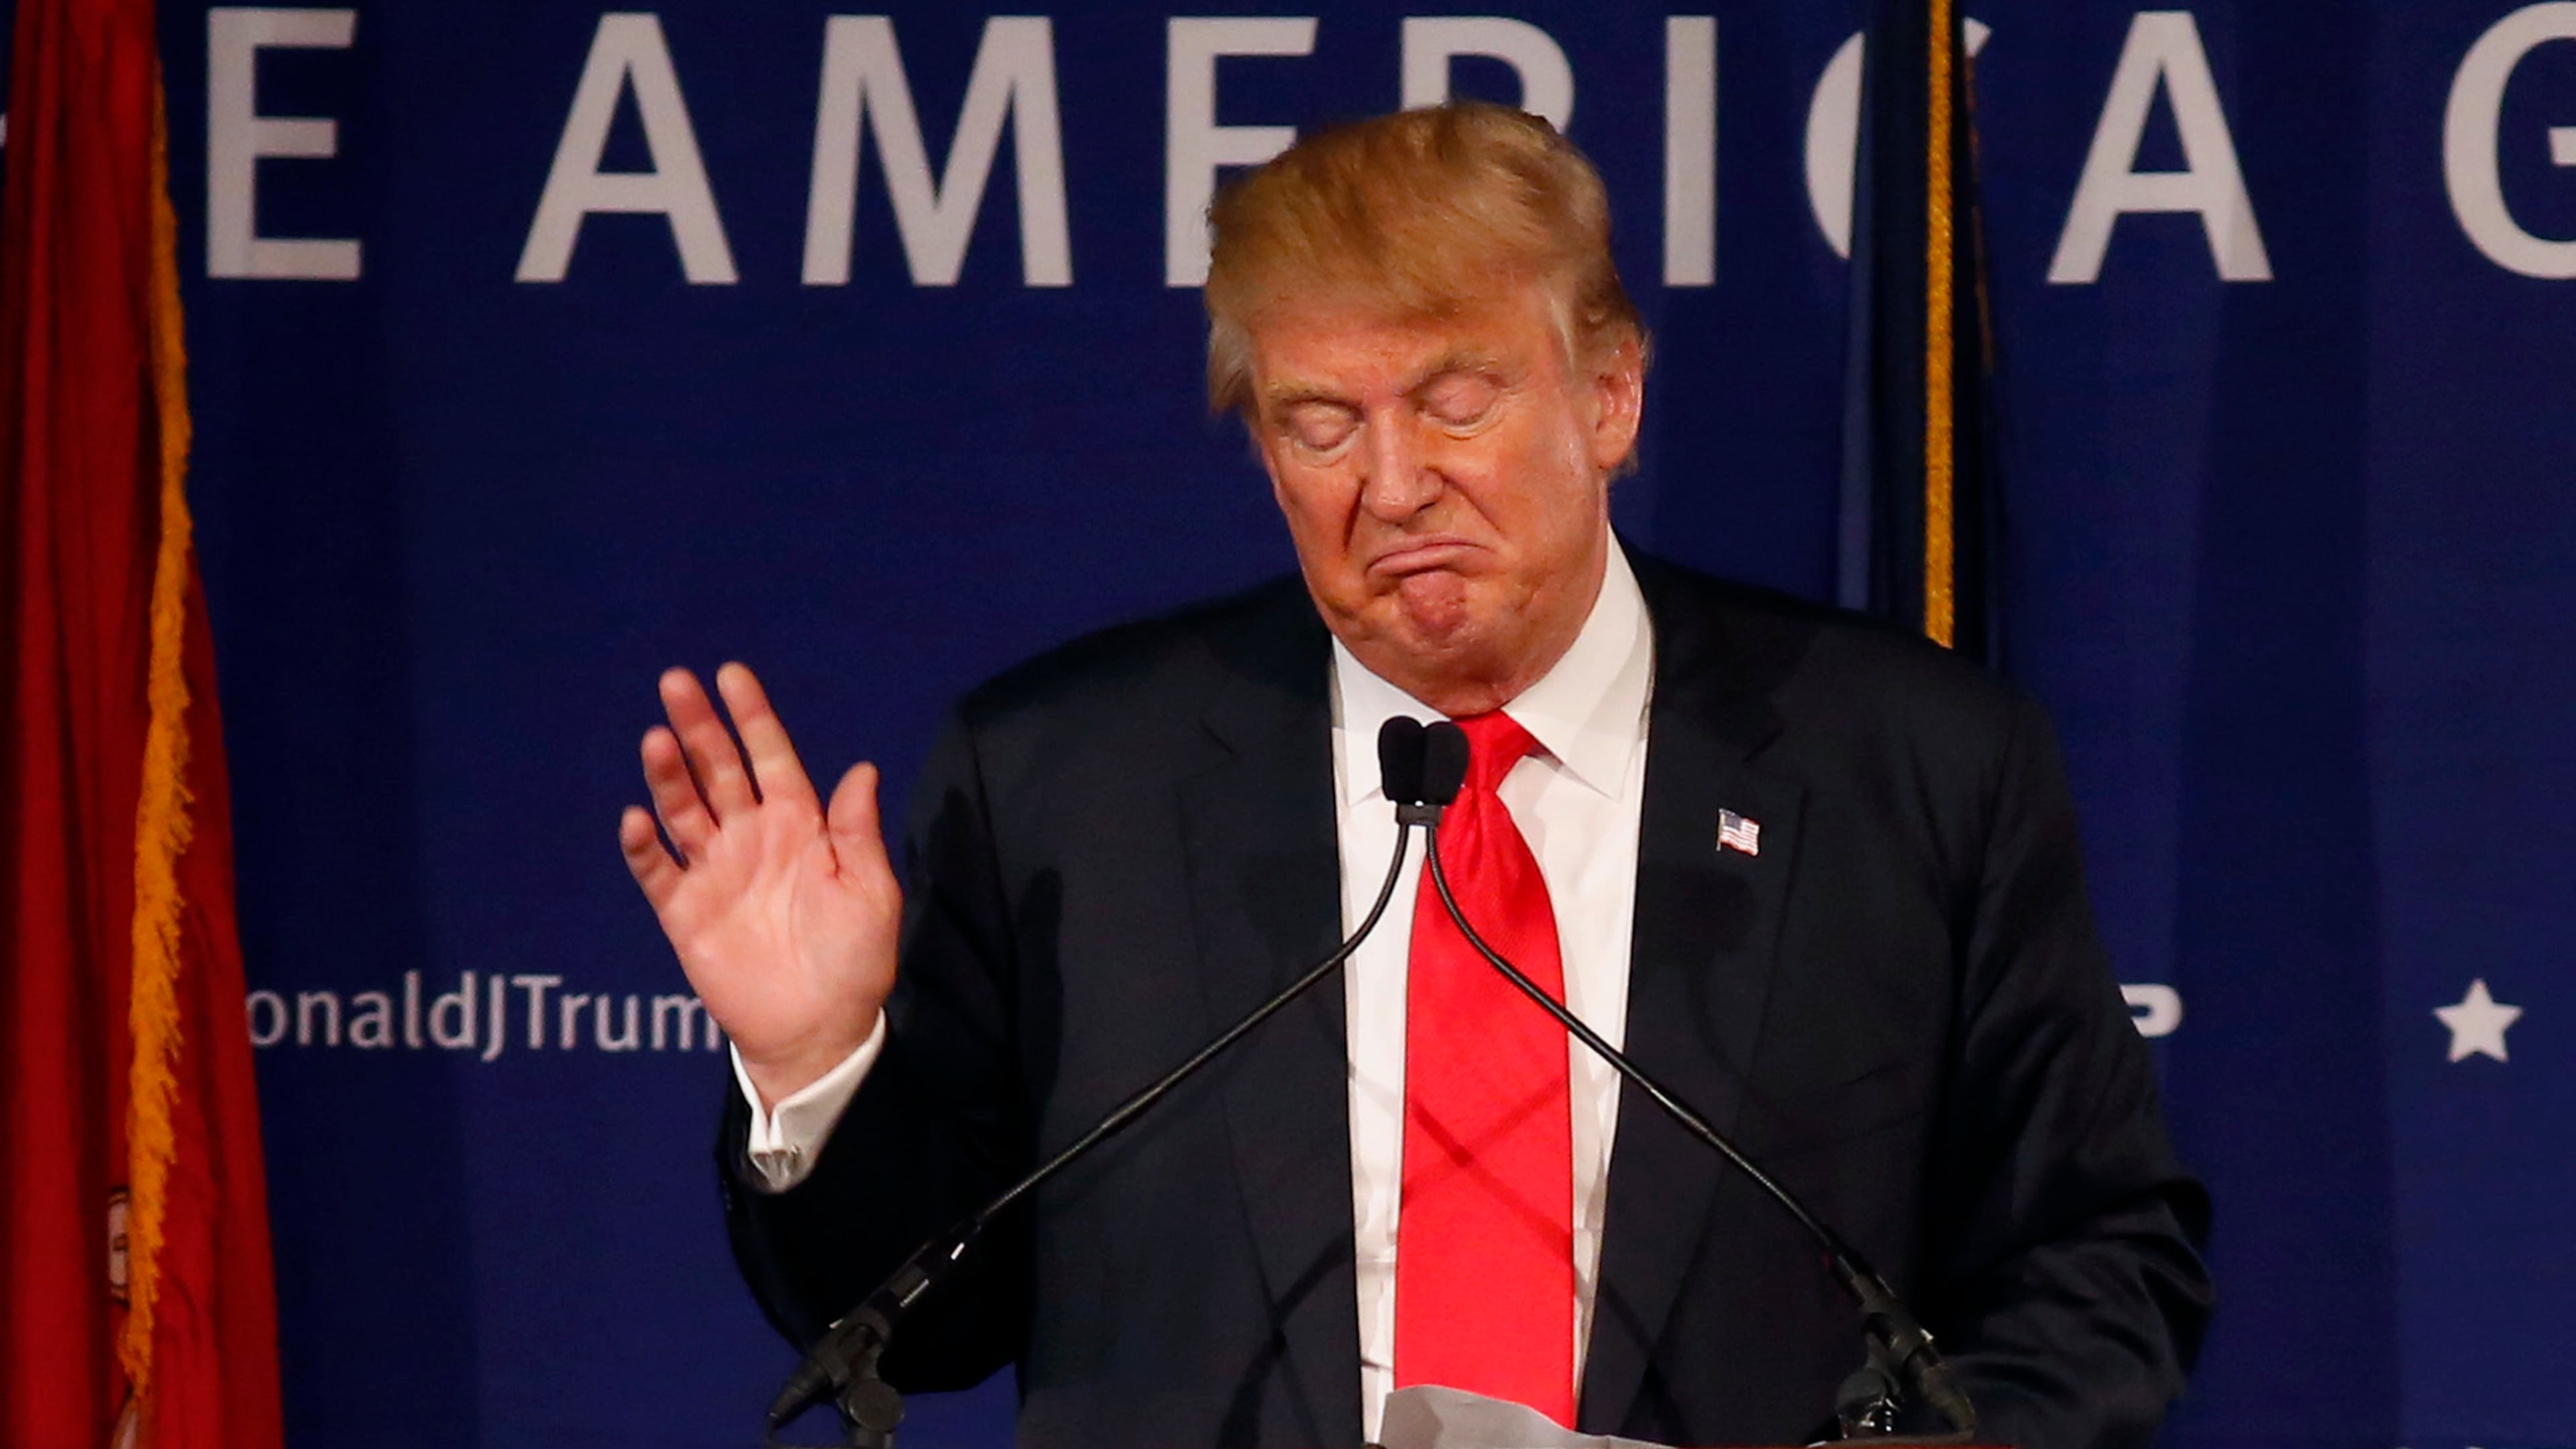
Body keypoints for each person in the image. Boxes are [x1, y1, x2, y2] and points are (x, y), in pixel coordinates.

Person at [620, 103, 2211, 1449]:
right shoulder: (1064, 781)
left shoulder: (1913, 766)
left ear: (1609, 396)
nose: (1394, 485)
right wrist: (821, 1065)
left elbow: (2100, 1263)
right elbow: (925, 1321)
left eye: (1456, 401)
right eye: (1321, 423)